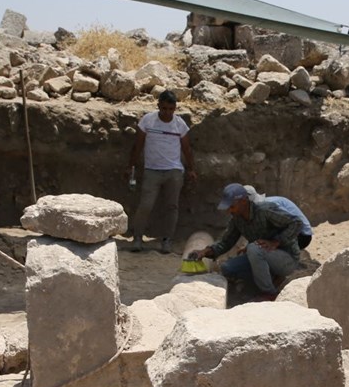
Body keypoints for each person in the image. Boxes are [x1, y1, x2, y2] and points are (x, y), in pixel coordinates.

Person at [190, 183, 305, 301]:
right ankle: (266, 279)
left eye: (232, 206)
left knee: (253, 249)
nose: (229, 210)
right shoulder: (237, 219)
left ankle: (269, 293)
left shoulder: (265, 210)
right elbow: (226, 242)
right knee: (227, 268)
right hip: (264, 255)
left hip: (287, 259)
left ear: (243, 201)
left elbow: (296, 223)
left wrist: (276, 242)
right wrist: (205, 251)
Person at [127, 90, 196, 253]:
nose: (167, 112)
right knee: (145, 205)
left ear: (175, 108)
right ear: (158, 106)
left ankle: (166, 240)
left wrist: (191, 169)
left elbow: (187, 149)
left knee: (172, 206)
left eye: (170, 109)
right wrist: (131, 166)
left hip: (174, 171)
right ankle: (137, 238)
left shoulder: (179, 125)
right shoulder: (148, 121)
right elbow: (138, 145)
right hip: (152, 171)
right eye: (164, 108)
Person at [243, 185, 312, 251]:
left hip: (302, 235)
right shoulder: (265, 204)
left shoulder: (269, 205)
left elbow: (294, 223)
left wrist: (274, 243)